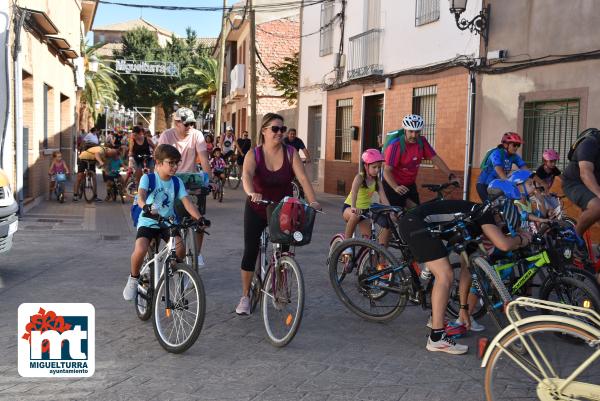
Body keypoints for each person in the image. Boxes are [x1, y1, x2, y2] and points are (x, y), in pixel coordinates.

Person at [398, 190, 532, 354]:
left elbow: (466, 269)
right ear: (499, 216)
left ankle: (435, 317)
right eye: (503, 227)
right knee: (445, 275)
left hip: (421, 224)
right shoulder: (484, 214)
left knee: (456, 268)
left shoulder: (473, 224)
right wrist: (522, 239)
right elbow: (503, 244)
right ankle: (436, 339)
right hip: (415, 224)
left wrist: (464, 309)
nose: (501, 230)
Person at [236, 113, 321, 315]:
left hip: (282, 210)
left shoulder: (291, 153)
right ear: (264, 131)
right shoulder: (254, 154)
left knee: (284, 251)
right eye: (275, 129)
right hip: (257, 207)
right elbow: (246, 175)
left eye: (282, 129)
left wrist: (313, 201)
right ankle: (245, 296)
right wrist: (251, 193)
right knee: (250, 250)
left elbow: (303, 178)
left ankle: (280, 287)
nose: (280, 133)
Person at [122, 144, 203, 301]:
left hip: (167, 222)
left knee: (180, 249)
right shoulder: (149, 178)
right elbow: (141, 195)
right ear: (158, 163)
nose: (174, 166)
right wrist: (145, 205)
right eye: (170, 163)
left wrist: (199, 218)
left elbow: (187, 202)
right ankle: (133, 278)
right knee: (140, 249)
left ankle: (176, 271)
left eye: (176, 163)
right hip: (148, 221)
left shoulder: (177, 182)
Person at [158, 107, 212, 267]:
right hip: (170, 180)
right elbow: (160, 160)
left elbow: (204, 159)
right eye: (186, 123)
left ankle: (197, 253)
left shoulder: (197, 135)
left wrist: (209, 180)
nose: (189, 126)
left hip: (191, 181)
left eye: (192, 123)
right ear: (177, 122)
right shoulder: (166, 135)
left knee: (199, 219)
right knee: (171, 220)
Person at [383, 114, 458, 209]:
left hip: (409, 185)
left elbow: (435, 158)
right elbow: (387, 170)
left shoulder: (421, 142)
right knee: (395, 216)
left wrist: (451, 175)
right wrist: (395, 187)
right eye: (411, 131)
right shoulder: (395, 146)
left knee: (416, 213)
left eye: (417, 132)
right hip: (393, 185)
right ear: (405, 130)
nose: (414, 135)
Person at [562, 128, 600, 266]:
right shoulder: (590, 143)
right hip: (574, 183)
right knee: (597, 206)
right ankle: (574, 238)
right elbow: (585, 173)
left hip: (592, 184)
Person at [342, 149, 390, 244]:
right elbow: (354, 192)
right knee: (355, 216)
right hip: (350, 208)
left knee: (369, 241)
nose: (377, 170)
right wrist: (353, 207)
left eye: (379, 167)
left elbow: (383, 197)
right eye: (374, 167)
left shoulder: (377, 181)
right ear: (366, 166)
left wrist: (390, 209)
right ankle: (345, 245)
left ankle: (366, 257)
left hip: (364, 212)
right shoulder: (359, 177)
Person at [476, 132, 528, 201]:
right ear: (506, 144)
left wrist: (537, 182)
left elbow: (526, 170)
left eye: (518, 145)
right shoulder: (496, 153)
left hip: (497, 186)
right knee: (492, 208)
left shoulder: (514, 156)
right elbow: (499, 171)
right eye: (514, 145)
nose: (516, 147)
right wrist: (510, 184)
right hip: (484, 185)